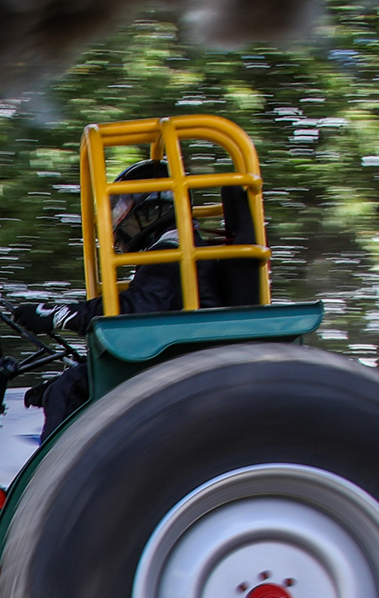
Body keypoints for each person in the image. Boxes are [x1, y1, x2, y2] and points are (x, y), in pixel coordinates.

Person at [12, 159, 222, 439]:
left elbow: (136, 311)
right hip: (176, 354)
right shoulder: (176, 250)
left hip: (180, 359)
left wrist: (57, 315)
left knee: (70, 389)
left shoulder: (174, 252)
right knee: (69, 385)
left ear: (153, 209)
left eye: (122, 210)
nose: (117, 224)